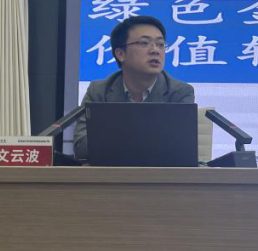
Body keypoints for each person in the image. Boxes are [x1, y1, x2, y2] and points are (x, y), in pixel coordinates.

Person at [73, 15, 195, 160]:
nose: (155, 50)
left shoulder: (179, 92)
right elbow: (81, 148)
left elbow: (180, 149)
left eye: (160, 44)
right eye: (144, 43)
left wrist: (116, 135)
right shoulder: (99, 91)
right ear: (120, 54)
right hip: (111, 173)